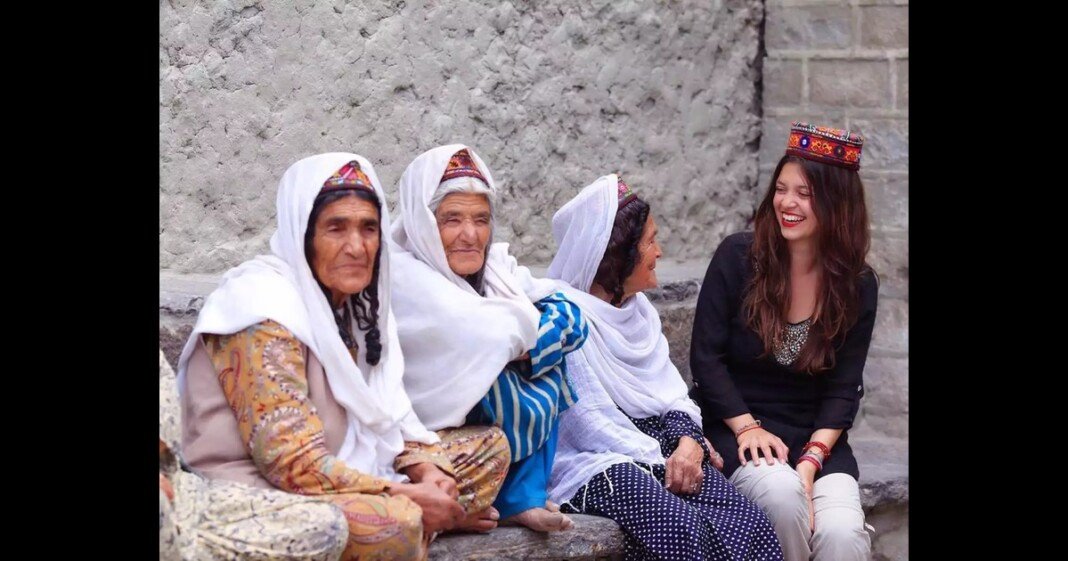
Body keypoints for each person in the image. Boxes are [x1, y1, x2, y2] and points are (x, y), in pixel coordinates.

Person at [176, 153, 510, 560]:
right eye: (336, 228)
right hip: (258, 491)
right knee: (395, 523)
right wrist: (406, 495)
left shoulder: (359, 306)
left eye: (368, 228)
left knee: (489, 449)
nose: (356, 247)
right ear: (304, 234)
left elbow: (392, 416)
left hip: (351, 466)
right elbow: (291, 463)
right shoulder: (262, 307)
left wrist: (427, 471)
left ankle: (428, 518)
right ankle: (431, 522)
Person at [545, 173, 784, 560]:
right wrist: (663, 454)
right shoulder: (563, 319)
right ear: (619, 255)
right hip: (595, 461)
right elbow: (588, 425)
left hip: (657, 445)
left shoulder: (639, 314)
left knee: (749, 522)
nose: (659, 252)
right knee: (679, 528)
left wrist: (689, 441)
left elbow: (670, 395)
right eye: (650, 242)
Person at [690, 122, 878, 560]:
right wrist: (747, 426)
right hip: (738, 431)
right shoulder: (737, 257)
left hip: (817, 441)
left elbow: (843, 388)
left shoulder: (857, 285)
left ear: (837, 204)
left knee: (843, 536)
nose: (787, 203)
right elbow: (706, 359)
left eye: (804, 194)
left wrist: (811, 462)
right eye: (781, 189)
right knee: (781, 496)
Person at [390, 145, 588, 532]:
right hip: (424, 440)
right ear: (423, 223)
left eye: (481, 219)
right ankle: (504, 499)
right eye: (452, 220)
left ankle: (522, 496)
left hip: (478, 437)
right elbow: (487, 335)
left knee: (545, 363)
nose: (470, 235)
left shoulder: (496, 268)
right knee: (496, 373)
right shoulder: (402, 274)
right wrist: (524, 339)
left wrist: (528, 349)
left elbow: (573, 316)